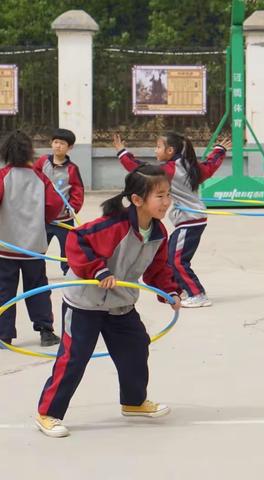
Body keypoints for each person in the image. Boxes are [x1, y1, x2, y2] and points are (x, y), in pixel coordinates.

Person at [36, 164, 182, 438]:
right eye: (160, 196)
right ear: (138, 200)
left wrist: (169, 291)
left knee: (137, 348)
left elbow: (158, 268)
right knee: (74, 358)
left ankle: (133, 402)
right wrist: (97, 269)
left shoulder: (159, 233)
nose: (166, 201)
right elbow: (76, 241)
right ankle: (48, 412)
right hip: (85, 304)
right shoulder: (114, 225)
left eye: (168, 194)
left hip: (120, 304)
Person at [113, 132, 231, 308]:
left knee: (177, 260)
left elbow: (141, 169)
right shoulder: (190, 166)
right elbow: (210, 166)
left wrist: (122, 152)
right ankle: (182, 290)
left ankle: (197, 294)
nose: (155, 150)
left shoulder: (170, 169)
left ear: (170, 150)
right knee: (171, 258)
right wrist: (219, 150)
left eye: (158, 147)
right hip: (194, 218)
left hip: (190, 220)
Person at [0, 130, 63, 347]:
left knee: (4, 290)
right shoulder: (40, 178)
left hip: (5, 247)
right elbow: (55, 206)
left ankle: (3, 335)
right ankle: (45, 331)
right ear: (29, 151)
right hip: (34, 247)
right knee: (37, 288)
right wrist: (40, 220)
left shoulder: (2, 176)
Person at [34, 128, 84, 275]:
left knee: (68, 251)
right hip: (43, 218)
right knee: (38, 249)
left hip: (64, 220)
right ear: (51, 143)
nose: (58, 146)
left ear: (70, 147)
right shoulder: (42, 162)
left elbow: (77, 191)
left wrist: (73, 207)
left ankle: (68, 274)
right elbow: (31, 180)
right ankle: (36, 274)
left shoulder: (72, 169)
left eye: (62, 143)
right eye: (55, 142)